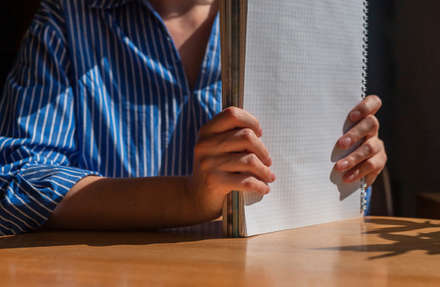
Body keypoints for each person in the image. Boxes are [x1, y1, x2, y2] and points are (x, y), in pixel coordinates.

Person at [0, 0, 387, 235]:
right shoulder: (66, 23)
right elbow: (18, 184)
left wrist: (348, 168)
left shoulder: (304, 23)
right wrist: (189, 198)